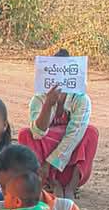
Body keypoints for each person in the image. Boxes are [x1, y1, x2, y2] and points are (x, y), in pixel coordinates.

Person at [18, 50, 99, 198]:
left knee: (90, 132)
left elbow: (73, 136)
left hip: (64, 167)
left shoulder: (81, 99)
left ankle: (71, 186)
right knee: (25, 134)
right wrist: (48, 104)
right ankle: (49, 182)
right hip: (43, 170)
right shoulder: (39, 98)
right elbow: (37, 133)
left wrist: (49, 164)